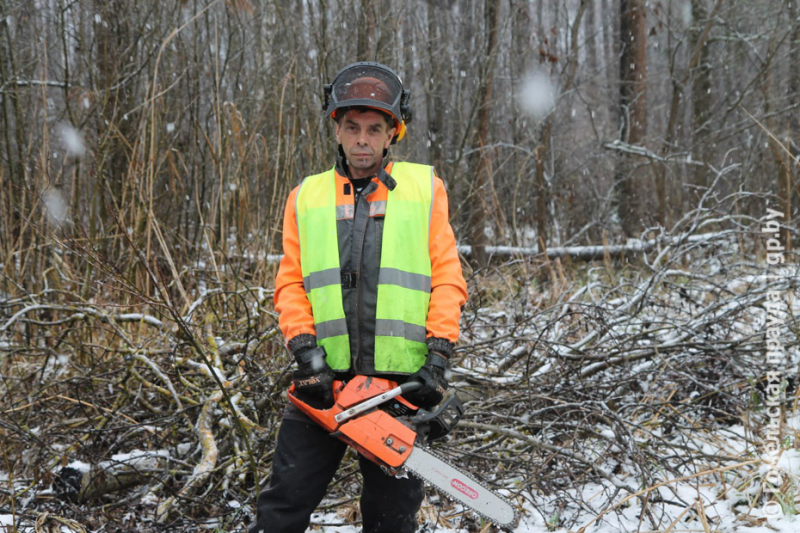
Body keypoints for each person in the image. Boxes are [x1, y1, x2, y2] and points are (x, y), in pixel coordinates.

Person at [249, 62, 468, 533]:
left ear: (393, 133)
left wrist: (439, 353)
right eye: (353, 128)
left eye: (374, 129)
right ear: (338, 129)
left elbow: (447, 278)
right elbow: (290, 284)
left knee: (391, 518)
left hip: (398, 383)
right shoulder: (306, 197)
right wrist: (306, 353)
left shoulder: (425, 190)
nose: (363, 139)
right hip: (323, 380)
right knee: (282, 507)